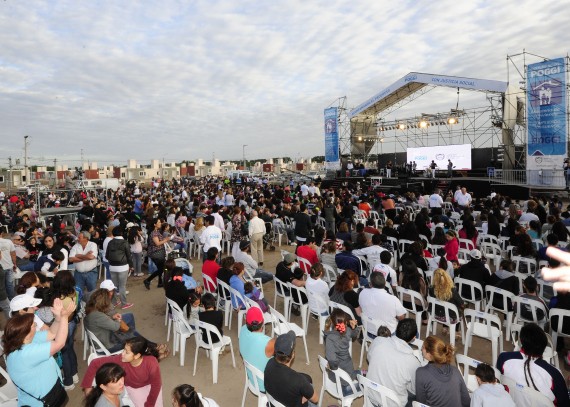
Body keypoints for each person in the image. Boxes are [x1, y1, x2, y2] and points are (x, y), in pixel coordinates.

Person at [4, 298, 75, 407]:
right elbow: (59, 344)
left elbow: (51, 333)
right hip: (41, 403)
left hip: (52, 393)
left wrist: (58, 317)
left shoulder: (26, 339)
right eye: (33, 325)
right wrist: (65, 317)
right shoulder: (24, 353)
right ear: (26, 332)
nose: (36, 326)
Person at [497, 323, 569, 405]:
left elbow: (498, 384)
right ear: (544, 347)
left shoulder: (504, 358)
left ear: (521, 341)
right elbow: (565, 403)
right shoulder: (554, 374)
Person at [81, 336, 165, 407]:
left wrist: (149, 404)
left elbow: (156, 385)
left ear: (137, 356)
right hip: (134, 389)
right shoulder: (120, 359)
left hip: (150, 385)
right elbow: (94, 363)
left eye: (127, 352)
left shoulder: (152, 362)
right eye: (124, 349)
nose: (122, 354)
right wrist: (87, 387)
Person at [367, 318, 422, 407]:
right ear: (414, 338)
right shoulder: (413, 362)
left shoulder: (378, 340)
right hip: (393, 403)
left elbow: (369, 358)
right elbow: (414, 390)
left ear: (396, 330)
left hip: (371, 394)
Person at [264, 330, 319, 407]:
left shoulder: (269, 363)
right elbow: (316, 399)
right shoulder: (299, 380)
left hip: (274, 402)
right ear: (293, 354)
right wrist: (305, 398)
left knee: (307, 379)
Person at [415, 336, 470, 407]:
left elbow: (421, 402)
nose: (421, 349)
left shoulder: (421, 373)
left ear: (429, 355)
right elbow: (466, 401)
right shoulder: (455, 371)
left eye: (423, 347)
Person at [323, 308, 360, 393]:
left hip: (334, 374)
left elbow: (331, 359)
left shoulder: (330, 338)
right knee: (356, 376)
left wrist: (333, 367)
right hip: (347, 368)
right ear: (345, 321)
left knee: (352, 377)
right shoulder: (348, 331)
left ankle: (353, 379)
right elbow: (354, 335)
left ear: (332, 322)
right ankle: (357, 377)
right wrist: (354, 327)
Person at [239, 307, 276, 393]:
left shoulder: (242, 330)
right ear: (262, 322)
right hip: (265, 385)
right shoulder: (268, 343)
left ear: (246, 321)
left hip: (251, 377)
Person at [105, 226, 133, 309]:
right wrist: (131, 266)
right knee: (122, 286)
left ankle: (114, 302)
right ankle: (124, 304)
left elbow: (107, 256)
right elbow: (129, 256)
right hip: (123, 267)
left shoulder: (110, 242)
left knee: (113, 285)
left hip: (112, 267)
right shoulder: (125, 242)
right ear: (122, 233)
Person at [144, 218, 170, 290]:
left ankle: (159, 282)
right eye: (158, 222)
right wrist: (166, 240)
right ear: (154, 224)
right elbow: (157, 243)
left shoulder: (157, 231)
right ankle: (148, 280)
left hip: (158, 253)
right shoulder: (154, 233)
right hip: (156, 254)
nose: (160, 223)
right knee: (162, 268)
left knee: (161, 268)